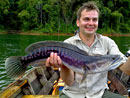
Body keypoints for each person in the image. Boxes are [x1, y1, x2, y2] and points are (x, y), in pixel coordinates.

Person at [46, 1, 130, 98]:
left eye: (94, 20)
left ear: (98, 22)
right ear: (78, 22)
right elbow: (69, 82)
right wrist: (64, 66)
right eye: (86, 19)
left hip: (100, 94)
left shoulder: (108, 43)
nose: (91, 23)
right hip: (72, 95)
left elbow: (126, 70)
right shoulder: (68, 44)